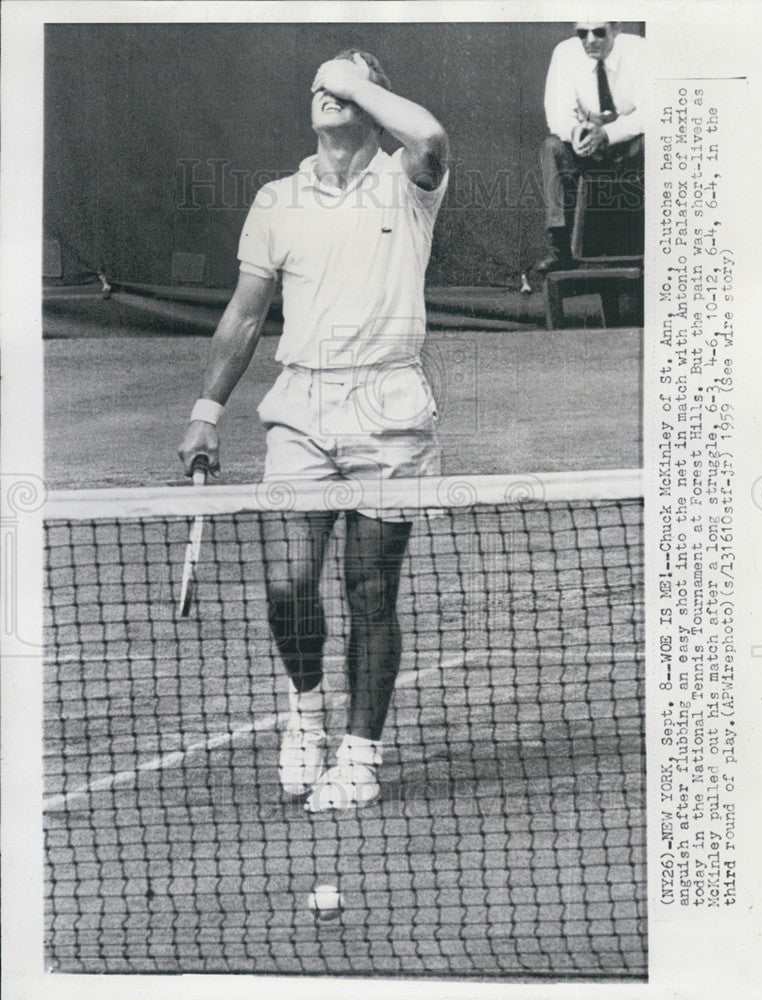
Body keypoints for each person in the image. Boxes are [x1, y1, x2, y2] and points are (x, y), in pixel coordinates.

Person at [179, 50, 449, 813]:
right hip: (300, 410)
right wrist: (206, 409)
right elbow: (245, 312)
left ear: (373, 98)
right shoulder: (275, 199)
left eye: (344, 83)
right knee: (288, 585)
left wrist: (353, 78)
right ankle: (304, 715)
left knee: (371, 592)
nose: (324, 93)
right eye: (318, 85)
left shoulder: (409, 180)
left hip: (390, 411)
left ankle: (360, 757)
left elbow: (429, 134)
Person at [523, 21, 645, 285]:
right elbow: (557, 113)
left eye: (599, 32)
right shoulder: (565, 53)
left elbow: (652, 112)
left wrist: (610, 135)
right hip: (589, 141)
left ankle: (650, 246)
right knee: (553, 147)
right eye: (582, 33)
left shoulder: (639, 51)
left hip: (629, 140)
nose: (590, 40)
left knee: (653, 142)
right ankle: (561, 249)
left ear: (616, 29)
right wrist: (577, 133)